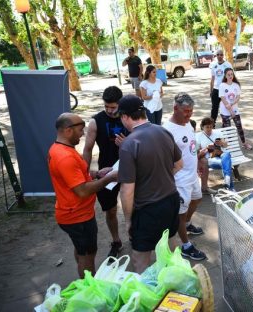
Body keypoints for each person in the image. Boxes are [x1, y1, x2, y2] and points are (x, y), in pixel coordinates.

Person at [117, 95, 183, 273]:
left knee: (140, 258)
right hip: (171, 200)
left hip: (147, 208)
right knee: (170, 246)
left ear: (125, 117)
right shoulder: (163, 131)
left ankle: (148, 297)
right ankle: (177, 285)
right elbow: (179, 164)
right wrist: (160, 176)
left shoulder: (129, 144)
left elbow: (127, 191)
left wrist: (128, 221)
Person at [48, 113, 117, 278]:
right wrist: (109, 179)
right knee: (88, 256)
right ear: (67, 131)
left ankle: (85, 282)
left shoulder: (60, 149)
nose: (83, 133)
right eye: (80, 130)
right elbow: (83, 190)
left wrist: (97, 174)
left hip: (75, 214)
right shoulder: (65, 157)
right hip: (77, 216)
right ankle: (89, 288)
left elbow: (77, 176)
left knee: (81, 251)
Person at [83, 86, 128, 259]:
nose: (109, 110)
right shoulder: (96, 121)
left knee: (134, 205)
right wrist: (84, 173)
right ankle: (116, 241)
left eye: (113, 107)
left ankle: (135, 235)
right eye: (106, 106)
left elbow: (142, 142)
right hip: (106, 173)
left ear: (120, 104)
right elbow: (87, 149)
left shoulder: (128, 117)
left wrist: (127, 143)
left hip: (129, 168)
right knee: (110, 210)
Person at [163, 93, 207, 261]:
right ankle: (185, 246)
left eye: (191, 111)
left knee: (197, 200)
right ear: (175, 108)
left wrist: (198, 162)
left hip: (192, 174)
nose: (189, 115)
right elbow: (166, 159)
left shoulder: (187, 124)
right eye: (186, 111)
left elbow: (192, 147)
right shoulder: (167, 130)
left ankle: (187, 224)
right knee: (179, 214)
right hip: (179, 179)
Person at [196, 117, 235, 191]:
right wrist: (207, 148)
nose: (209, 129)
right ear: (202, 127)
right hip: (210, 159)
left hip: (221, 155)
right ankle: (231, 188)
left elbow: (226, 145)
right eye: (207, 127)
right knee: (227, 163)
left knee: (227, 154)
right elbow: (198, 154)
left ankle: (227, 179)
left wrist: (222, 143)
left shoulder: (218, 133)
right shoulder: (198, 136)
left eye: (211, 126)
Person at [219, 68, 252, 150]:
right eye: (228, 75)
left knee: (239, 127)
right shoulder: (222, 85)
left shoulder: (236, 85)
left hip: (235, 109)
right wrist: (230, 111)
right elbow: (223, 99)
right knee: (228, 130)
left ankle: (244, 143)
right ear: (225, 76)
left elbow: (238, 97)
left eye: (231, 74)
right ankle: (229, 147)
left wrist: (232, 105)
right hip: (225, 111)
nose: (230, 76)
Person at [209, 49, 233, 122]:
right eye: (218, 54)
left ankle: (226, 123)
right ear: (216, 56)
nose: (220, 56)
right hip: (216, 90)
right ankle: (212, 124)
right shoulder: (214, 65)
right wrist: (211, 91)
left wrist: (231, 88)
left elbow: (231, 77)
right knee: (214, 108)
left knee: (226, 107)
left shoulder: (228, 65)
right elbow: (212, 79)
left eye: (221, 54)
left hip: (225, 89)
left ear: (223, 55)